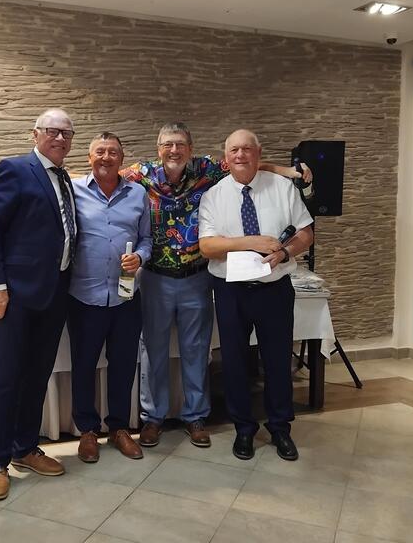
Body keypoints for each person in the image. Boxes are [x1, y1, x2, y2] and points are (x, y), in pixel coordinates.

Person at [121, 122, 310, 448]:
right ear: (158, 148)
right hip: (156, 277)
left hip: (197, 277)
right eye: (168, 144)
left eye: (180, 144)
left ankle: (196, 417)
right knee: (153, 350)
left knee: (197, 350)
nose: (174, 150)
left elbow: (247, 162)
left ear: (191, 149)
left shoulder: (206, 170)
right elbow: (107, 173)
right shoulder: (143, 174)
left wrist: (288, 171)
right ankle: (154, 418)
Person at [0, 108, 78, 500]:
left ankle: (24, 448)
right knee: (8, 377)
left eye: (67, 133)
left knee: (37, 375)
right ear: (35, 134)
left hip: (54, 293)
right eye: (52, 131)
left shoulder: (63, 177)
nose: (60, 138)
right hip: (15, 295)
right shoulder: (15, 169)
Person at [198, 129, 314, 462]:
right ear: (226, 157)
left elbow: (305, 233)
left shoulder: (282, 188)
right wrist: (252, 242)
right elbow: (207, 247)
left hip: (274, 288)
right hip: (231, 289)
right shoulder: (213, 196)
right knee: (234, 362)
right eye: (234, 150)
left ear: (258, 154)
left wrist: (285, 253)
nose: (240, 155)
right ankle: (244, 429)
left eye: (247, 149)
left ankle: (280, 428)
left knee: (278, 361)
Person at [68, 132, 152, 463]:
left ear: (122, 158)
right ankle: (87, 431)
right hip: (83, 297)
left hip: (126, 297)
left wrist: (140, 257)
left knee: (123, 364)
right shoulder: (73, 191)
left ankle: (119, 428)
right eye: (100, 152)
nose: (106, 157)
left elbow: (146, 238)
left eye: (113, 152)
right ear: (89, 158)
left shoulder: (138, 193)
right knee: (83, 365)